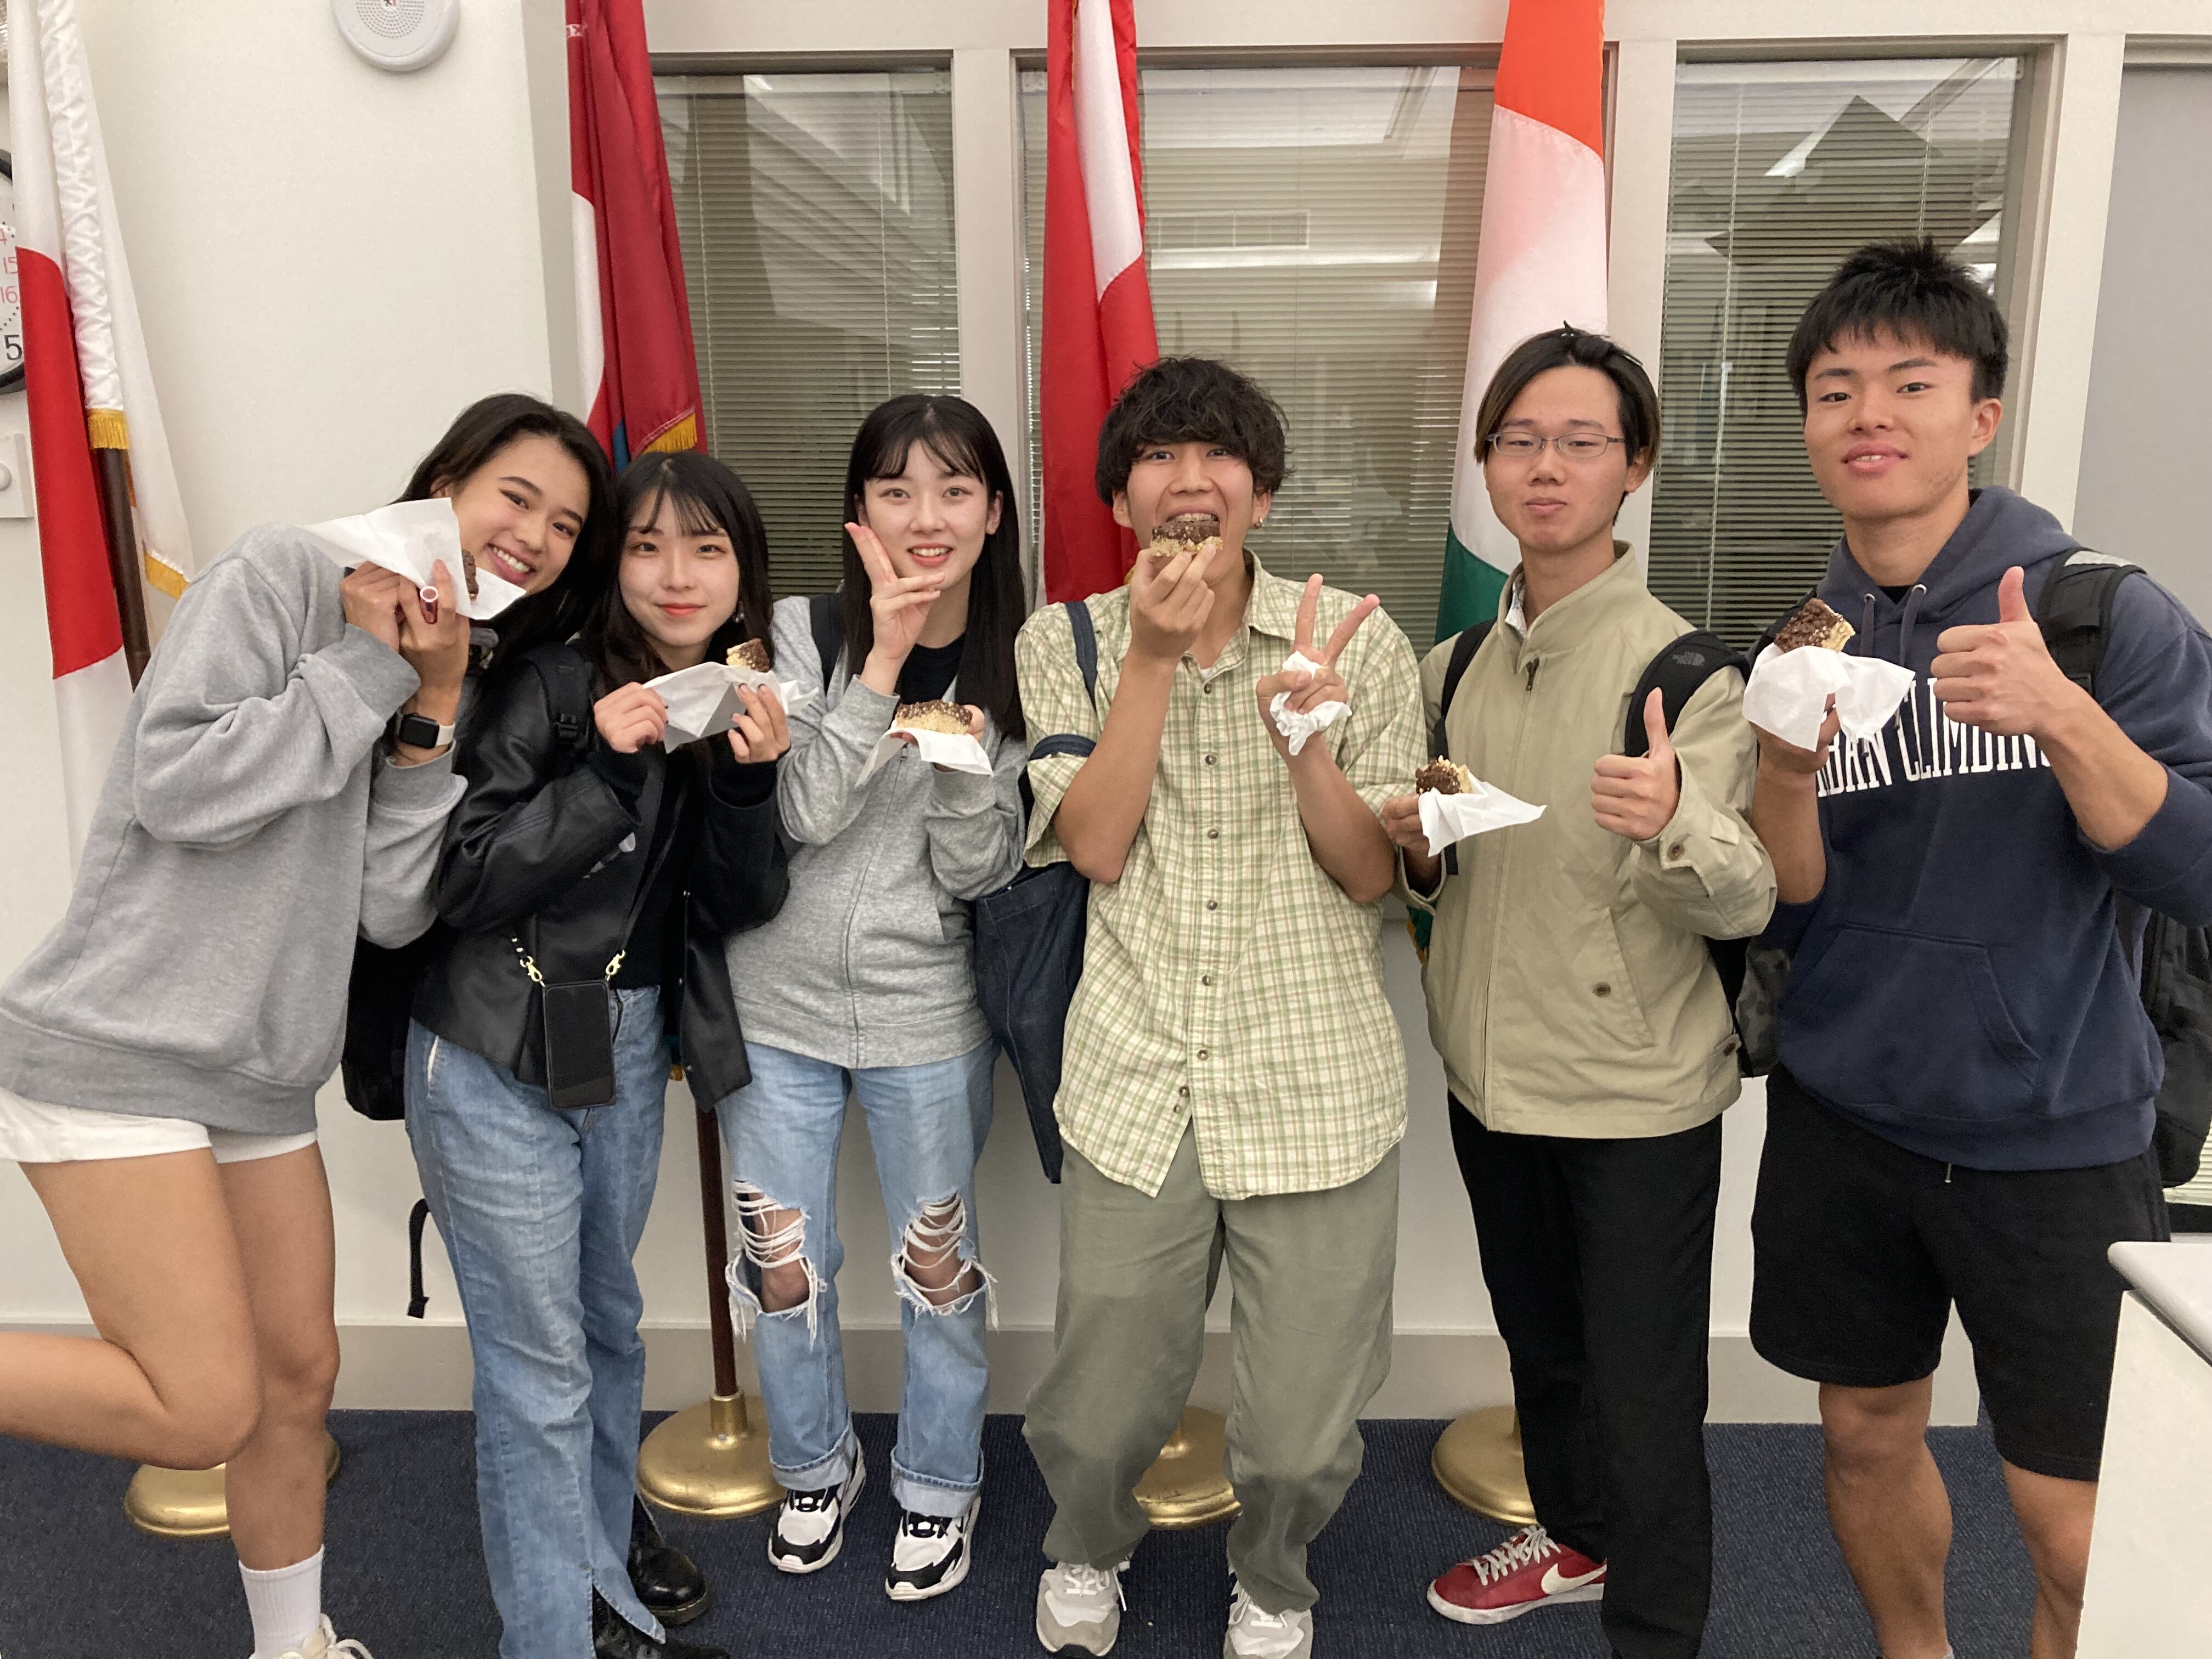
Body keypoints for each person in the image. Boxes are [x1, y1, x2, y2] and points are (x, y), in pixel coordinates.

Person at [0, 392, 612, 1659]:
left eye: (564, 526)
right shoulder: (286, 570)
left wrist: (430, 715)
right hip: (119, 1049)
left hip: (259, 1076)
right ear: (445, 478)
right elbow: (176, 781)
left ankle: (292, 1648)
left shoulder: (442, 655)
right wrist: (373, 665)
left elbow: (388, 911)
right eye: (517, 498)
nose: (537, 538)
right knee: (200, 1408)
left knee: (295, 1389)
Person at [1745, 240, 2212, 1659]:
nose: (1869, 413)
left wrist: (2067, 718)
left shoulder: (2097, 613)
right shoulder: (1804, 633)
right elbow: (1795, 898)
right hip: (1845, 1118)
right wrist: (1774, 771)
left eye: (1910, 381)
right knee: (1864, 1440)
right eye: (1836, 389)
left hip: (2055, 1135)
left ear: (1978, 415)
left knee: (2073, 1519)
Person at [1018, 356, 1424, 1659]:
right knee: (1096, 1405)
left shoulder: (1355, 635)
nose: (1190, 482)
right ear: (1124, 493)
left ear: (1263, 488)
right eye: (1159, 459)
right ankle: (1084, 1548)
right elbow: (1095, 845)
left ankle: (1275, 1578)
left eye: (1219, 459)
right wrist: (1146, 656)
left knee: (1306, 1428)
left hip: (1314, 1077)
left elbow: (1373, 875)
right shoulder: (1065, 639)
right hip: (1140, 1074)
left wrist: (1310, 740)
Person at [1386, 328, 1776, 1657]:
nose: (1545, 467)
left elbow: (1745, 899)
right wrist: (1417, 854)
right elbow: (1439, 891)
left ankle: (1658, 1631)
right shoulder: (1453, 670)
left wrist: (1676, 815)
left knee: (1649, 1394)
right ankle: (1576, 1539)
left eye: (1581, 442)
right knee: (1544, 1356)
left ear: (1635, 467)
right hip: (1490, 1084)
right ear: (1487, 464)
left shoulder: (1687, 674)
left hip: (1635, 1099)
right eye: (1519, 441)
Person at [405, 450, 792, 1659]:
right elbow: (461, 878)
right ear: (610, 561)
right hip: (493, 1037)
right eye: (645, 545)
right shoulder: (550, 684)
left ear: (743, 575)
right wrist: (610, 769)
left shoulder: (735, 695)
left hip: (623, 1045)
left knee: (609, 1328)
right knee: (538, 1368)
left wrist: (746, 786)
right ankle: (558, 1639)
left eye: (707, 549)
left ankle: (598, 1574)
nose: (677, 576)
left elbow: (735, 907)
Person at [713, 393, 1027, 1601]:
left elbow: (977, 872)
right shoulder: (794, 634)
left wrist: (955, 761)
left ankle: (941, 1483)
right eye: (896, 491)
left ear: (994, 513)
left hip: (925, 1012)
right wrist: (883, 663)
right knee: (781, 1258)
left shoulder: (1020, 654)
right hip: (776, 1004)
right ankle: (813, 1464)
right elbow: (799, 814)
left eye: (954, 490)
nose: (926, 516)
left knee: (933, 1266)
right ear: (858, 516)